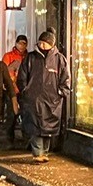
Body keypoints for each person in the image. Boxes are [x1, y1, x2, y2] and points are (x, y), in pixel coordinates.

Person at [17, 27, 70, 164]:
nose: (42, 45)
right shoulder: (31, 58)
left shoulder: (60, 59)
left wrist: (60, 92)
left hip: (52, 100)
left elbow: (65, 78)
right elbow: (22, 77)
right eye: (40, 42)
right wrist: (26, 91)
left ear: (51, 44)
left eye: (44, 43)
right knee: (35, 126)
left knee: (48, 128)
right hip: (33, 99)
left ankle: (44, 152)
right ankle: (37, 153)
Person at [2, 35, 28, 146]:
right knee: (12, 115)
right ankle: (9, 139)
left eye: (24, 43)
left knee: (26, 115)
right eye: (20, 43)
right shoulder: (8, 56)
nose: (22, 46)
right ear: (16, 43)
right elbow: (4, 72)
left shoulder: (28, 57)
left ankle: (25, 139)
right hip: (12, 89)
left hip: (24, 90)